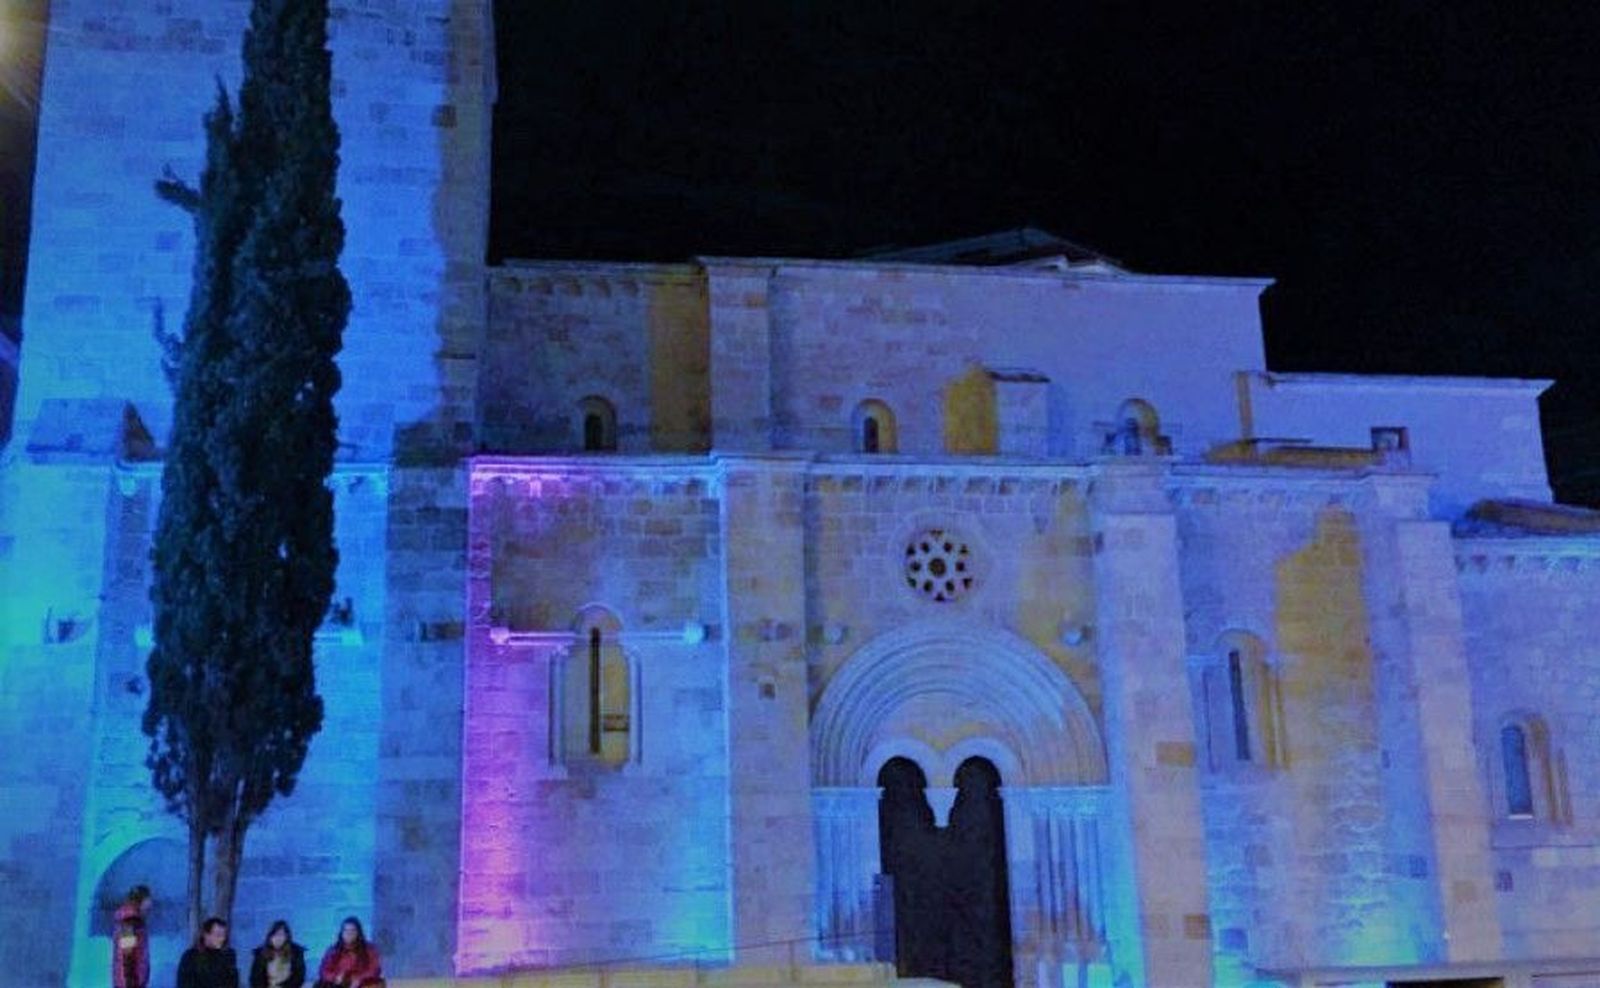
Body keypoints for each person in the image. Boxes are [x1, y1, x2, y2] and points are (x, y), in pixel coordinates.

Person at [314, 917, 383, 988]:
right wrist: (335, 977)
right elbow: (324, 970)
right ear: (341, 933)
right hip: (338, 984)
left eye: (352, 930)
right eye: (346, 930)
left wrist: (359, 979)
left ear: (358, 933)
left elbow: (374, 969)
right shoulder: (333, 950)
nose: (349, 933)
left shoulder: (369, 949)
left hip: (362, 983)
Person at [178, 917, 240, 988]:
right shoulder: (190, 957)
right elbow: (184, 984)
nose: (222, 939)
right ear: (206, 935)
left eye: (224, 935)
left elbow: (233, 982)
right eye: (218, 935)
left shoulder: (228, 955)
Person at [111, 884, 153, 988]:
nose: (150, 903)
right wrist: (130, 982)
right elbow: (126, 954)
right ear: (139, 900)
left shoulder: (134, 921)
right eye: (148, 899)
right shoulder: (129, 922)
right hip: (129, 982)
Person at [249, 920, 307, 988]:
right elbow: (255, 978)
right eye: (275, 935)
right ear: (270, 937)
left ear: (287, 937)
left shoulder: (296, 952)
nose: (278, 938)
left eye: (281, 935)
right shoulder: (261, 953)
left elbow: (299, 977)